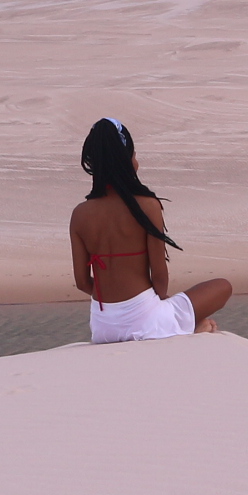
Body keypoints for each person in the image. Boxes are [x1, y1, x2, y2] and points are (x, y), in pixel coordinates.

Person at [71, 117, 231, 342]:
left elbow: (81, 282)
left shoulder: (80, 214)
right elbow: (158, 274)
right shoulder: (147, 205)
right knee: (222, 286)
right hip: (147, 321)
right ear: (126, 159)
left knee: (166, 310)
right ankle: (182, 328)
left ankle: (178, 325)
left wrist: (115, 305)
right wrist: (155, 304)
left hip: (102, 327)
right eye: (134, 155)